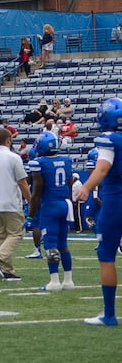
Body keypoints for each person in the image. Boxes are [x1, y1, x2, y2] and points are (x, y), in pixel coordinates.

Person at [75, 97, 122, 325]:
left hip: (115, 201)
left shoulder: (108, 139)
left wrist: (86, 187)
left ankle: (109, 315)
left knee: (106, 256)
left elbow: (102, 168)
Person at [0, 126, 31, 282]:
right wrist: (31, 200)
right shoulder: (13, 157)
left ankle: (7, 270)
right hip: (10, 203)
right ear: (9, 140)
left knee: (3, 236)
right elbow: (22, 182)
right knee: (17, 233)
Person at [27, 130, 75, 292]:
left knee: (51, 245)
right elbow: (69, 184)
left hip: (50, 205)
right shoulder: (66, 160)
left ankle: (54, 282)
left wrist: (30, 215)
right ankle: (68, 280)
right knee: (63, 244)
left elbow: (37, 191)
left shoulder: (39, 162)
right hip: (65, 203)